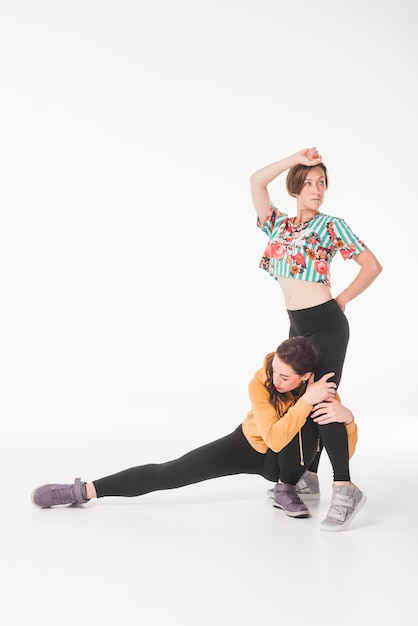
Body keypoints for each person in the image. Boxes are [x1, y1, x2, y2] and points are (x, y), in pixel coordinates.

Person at [31, 336, 365, 532]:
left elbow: (341, 450)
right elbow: (274, 439)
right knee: (173, 471)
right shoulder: (260, 383)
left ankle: (303, 486)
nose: (276, 379)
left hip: (290, 463)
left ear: (306, 376)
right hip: (252, 445)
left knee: (327, 413)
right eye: (274, 370)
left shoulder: (317, 390)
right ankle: (82, 491)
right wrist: (304, 399)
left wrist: (348, 419)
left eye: (286, 377)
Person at [249, 147, 382, 495]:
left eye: (321, 182)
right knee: (300, 398)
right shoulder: (278, 225)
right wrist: (294, 158)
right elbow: (256, 182)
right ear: (295, 187)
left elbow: (372, 266)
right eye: (308, 183)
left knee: (322, 400)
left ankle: (345, 487)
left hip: (326, 324)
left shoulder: (332, 226)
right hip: (297, 324)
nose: (316, 189)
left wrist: (341, 300)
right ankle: (309, 475)